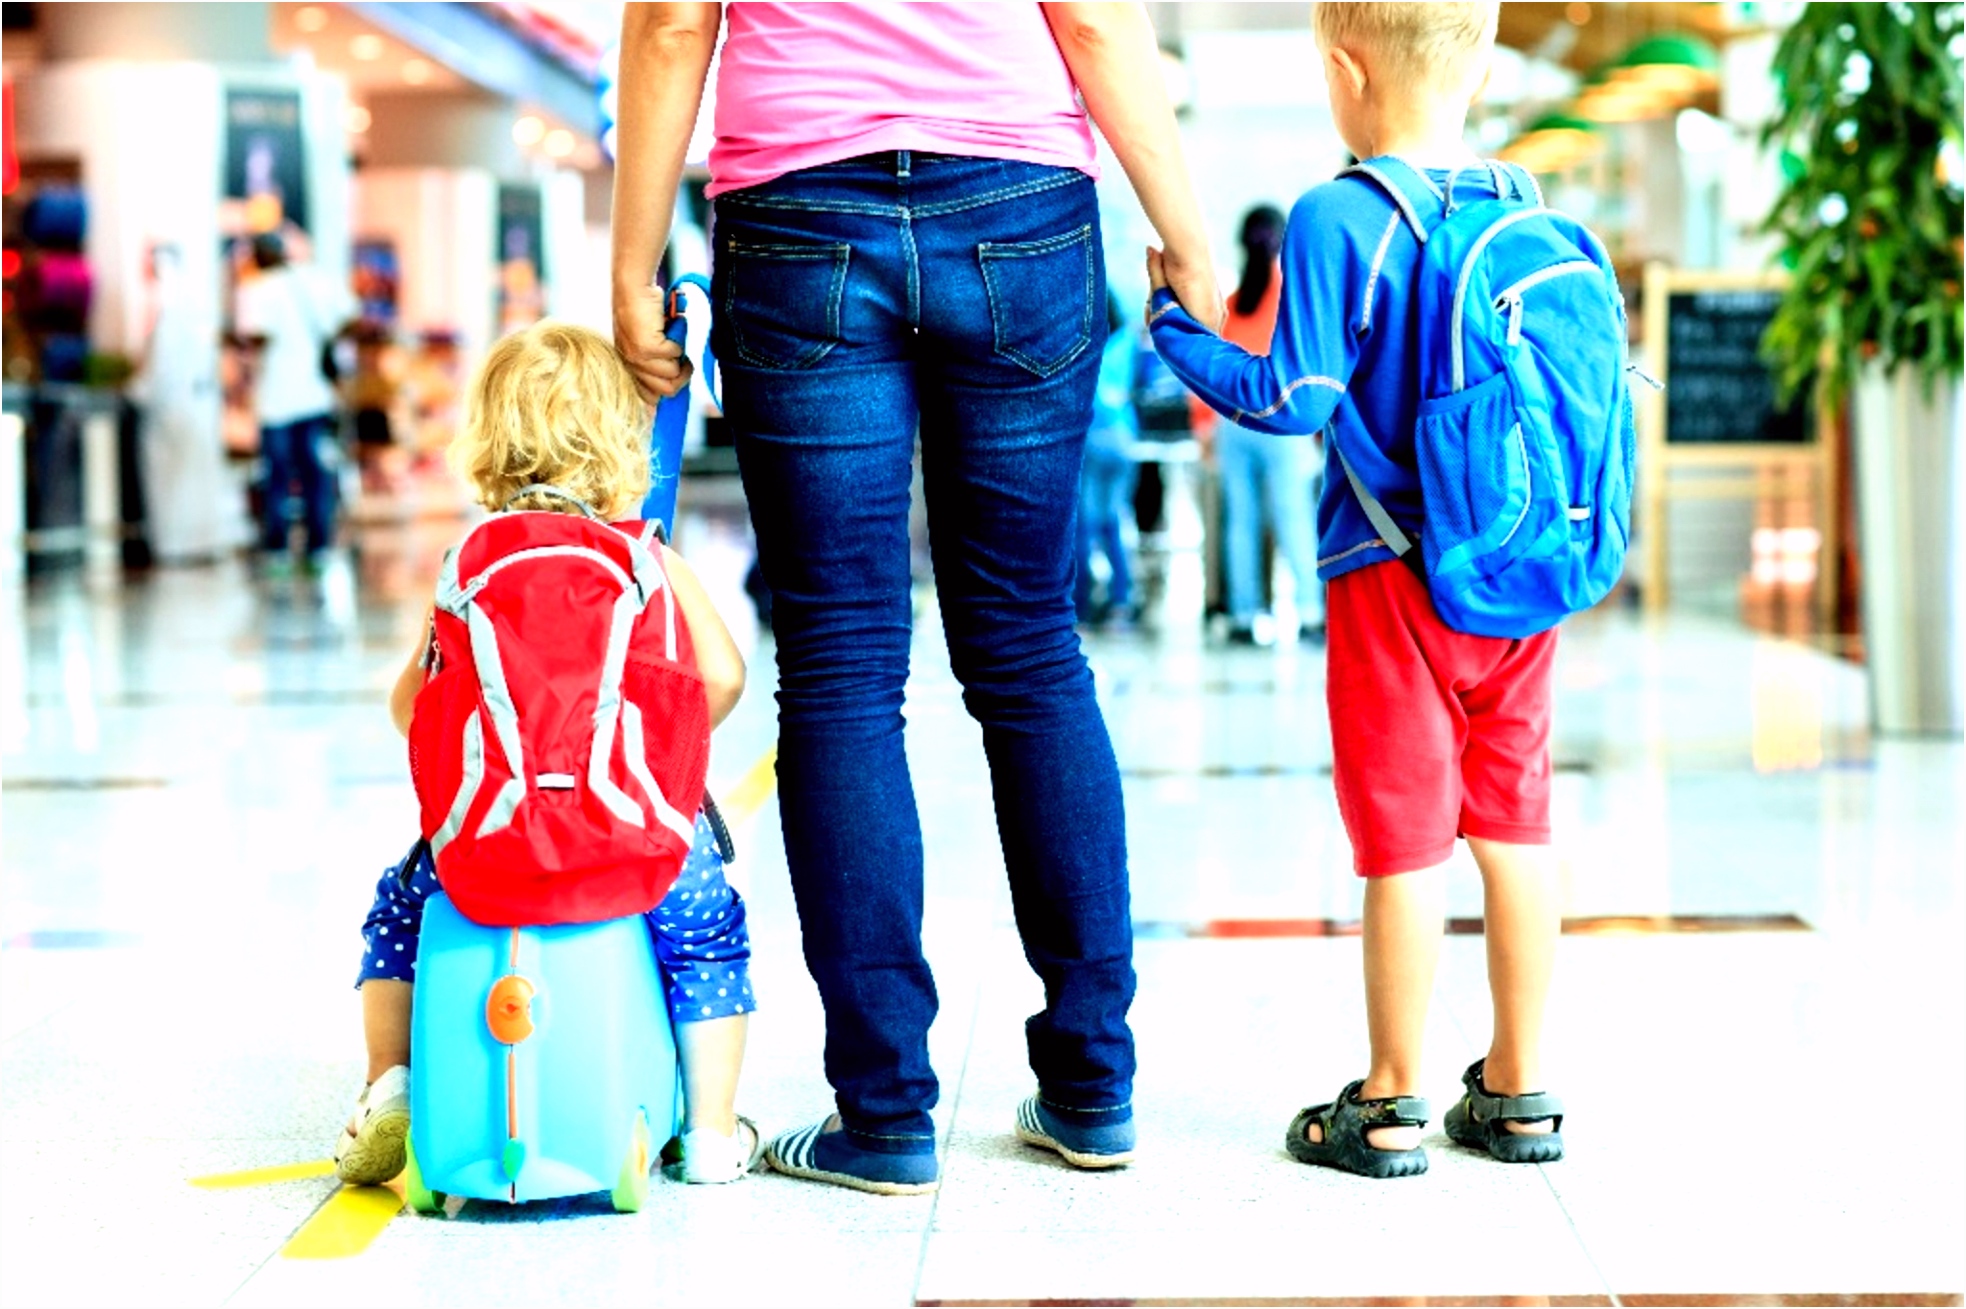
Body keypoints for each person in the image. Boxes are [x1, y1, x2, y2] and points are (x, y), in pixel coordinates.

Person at [612, 2, 1221, 1195]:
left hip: (801, 207)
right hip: (1019, 204)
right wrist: (1183, 229)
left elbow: (673, 24)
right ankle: (1092, 1086)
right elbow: (1093, 21)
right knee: (1032, 651)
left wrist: (631, 263)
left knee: (839, 666)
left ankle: (883, 1111)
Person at [1147, 1, 1566, 1178]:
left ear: (1342, 72)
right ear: (1479, 63)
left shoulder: (1340, 214)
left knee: (1405, 838)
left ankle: (1389, 1100)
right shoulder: (1520, 205)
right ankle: (1521, 1087)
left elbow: (1292, 400)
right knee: (1515, 820)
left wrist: (1176, 332)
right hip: (1521, 568)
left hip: (1394, 577)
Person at [333, 322, 762, 1188]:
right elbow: (724, 678)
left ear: (487, 440)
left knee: (396, 913)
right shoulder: (646, 557)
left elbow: (409, 708)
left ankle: (390, 1087)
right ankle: (713, 1132)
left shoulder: (466, 565)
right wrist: (663, 757)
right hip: (638, 845)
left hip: (481, 852)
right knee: (709, 938)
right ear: (621, 440)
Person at [1192, 206, 1326, 646]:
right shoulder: (1293, 297)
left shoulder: (1229, 305)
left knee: (1241, 521)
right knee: (1293, 517)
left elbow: (1208, 371)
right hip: (1281, 421)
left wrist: (1204, 428)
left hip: (1232, 422)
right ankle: (1310, 612)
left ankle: (1244, 617)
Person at [233, 228, 351, 574]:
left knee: (278, 474)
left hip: (276, 400)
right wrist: (322, 346)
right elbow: (347, 319)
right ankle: (319, 546)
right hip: (314, 396)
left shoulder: (256, 290)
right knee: (315, 472)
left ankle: (278, 549)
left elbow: (256, 338)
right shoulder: (313, 281)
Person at [1077, 292, 1141, 628]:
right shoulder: (1128, 340)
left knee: (1084, 524)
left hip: (1090, 434)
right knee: (1115, 520)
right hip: (1123, 436)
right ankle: (1122, 600)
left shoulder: (1083, 341)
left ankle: (1082, 602)